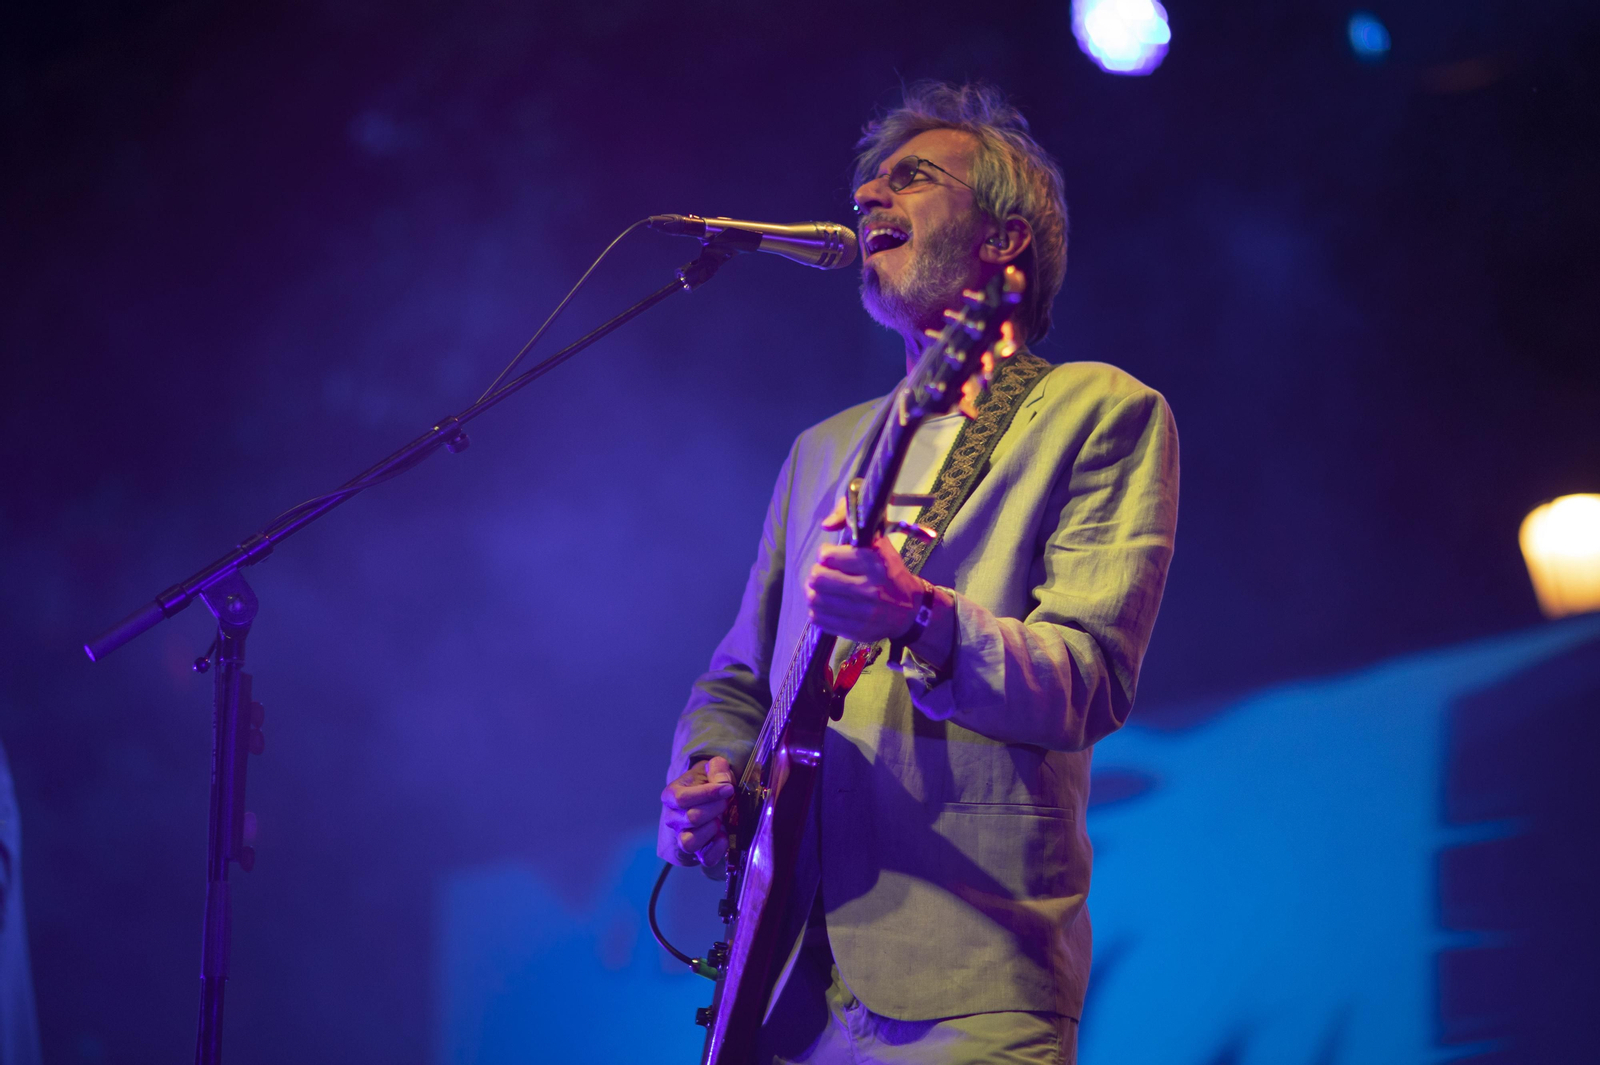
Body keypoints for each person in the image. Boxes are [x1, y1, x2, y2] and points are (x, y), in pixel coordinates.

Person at [658, 81, 1179, 1065]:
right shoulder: (820, 450)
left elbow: (1088, 678)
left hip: (970, 978)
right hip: (781, 988)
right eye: (867, 185)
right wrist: (705, 773)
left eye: (911, 178)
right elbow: (735, 680)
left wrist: (922, 618)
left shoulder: (1099, 410)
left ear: (1004, 240)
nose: (868, 197)